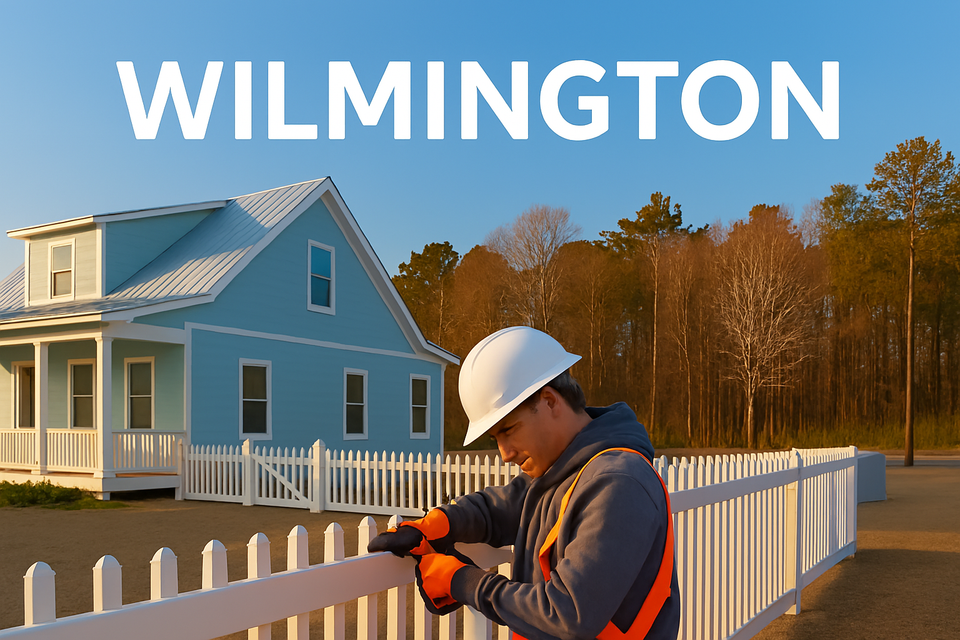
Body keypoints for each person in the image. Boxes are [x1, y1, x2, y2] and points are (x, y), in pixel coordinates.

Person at [369, 326, 680, 640]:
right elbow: (498, 508)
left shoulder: (619, 482)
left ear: (549, 401)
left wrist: (462, 581)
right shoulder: (559, 473)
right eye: (496, 437)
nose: (504, 454)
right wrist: (439, 523)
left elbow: (568, 612)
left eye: (509, 429)